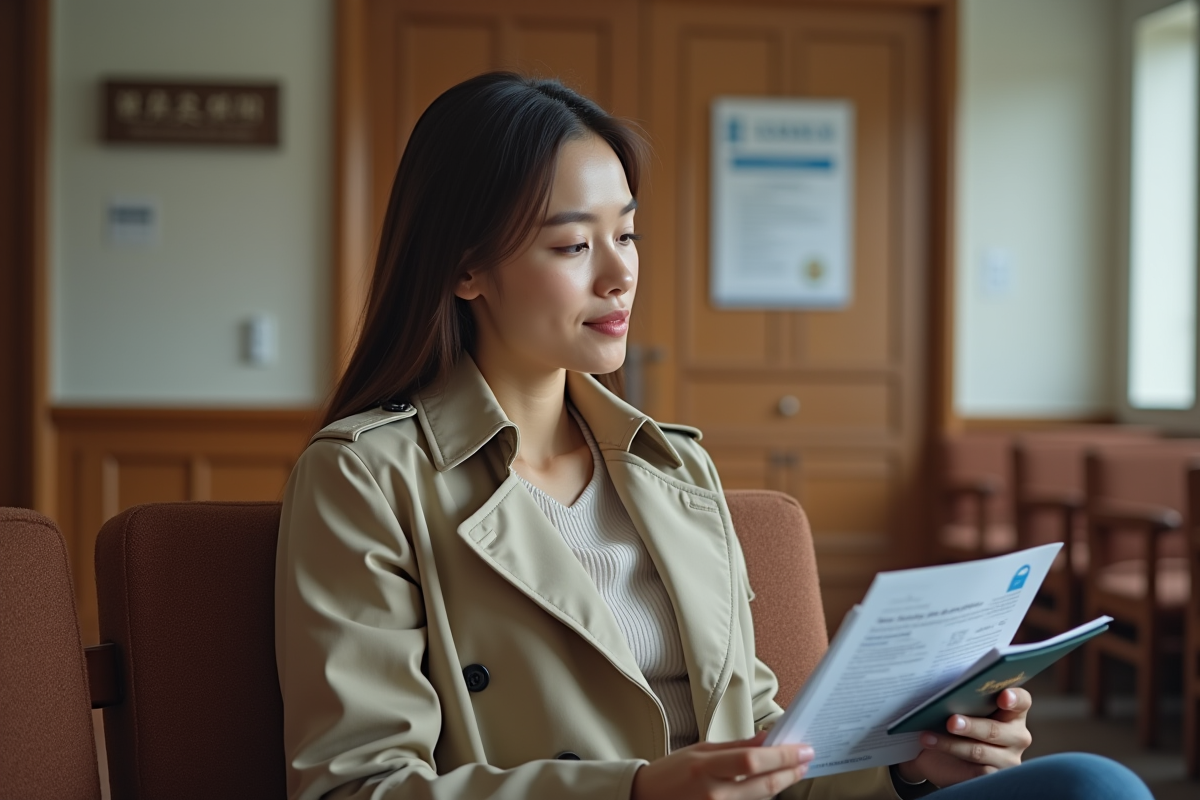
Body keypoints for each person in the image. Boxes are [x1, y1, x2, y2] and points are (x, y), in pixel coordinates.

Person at [274, 72, 1151, 800]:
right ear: (466, 267)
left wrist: (907, 765)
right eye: (574, 246)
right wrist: (639, 792)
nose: (622, 273)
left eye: (626, 233)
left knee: (1091, 785)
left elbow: (765, 744)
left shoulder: (669, 464)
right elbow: (358, 786)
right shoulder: (366, 476)